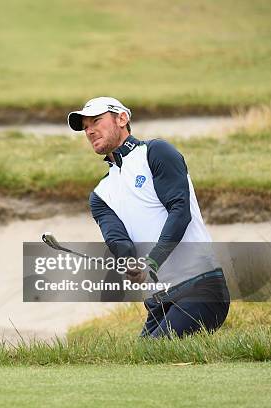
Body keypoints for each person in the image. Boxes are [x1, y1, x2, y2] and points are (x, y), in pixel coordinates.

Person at [67, 97, 230, 338]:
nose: (89, 130)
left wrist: (152, 262)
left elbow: (179, 212)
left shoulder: (155, 152)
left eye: (96, 121)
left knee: (151, 356)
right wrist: (128, 262)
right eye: (85, 126)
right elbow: (119, 242)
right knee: (140, 362)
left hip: (199, 286)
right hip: (157, 300)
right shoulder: (100, 195)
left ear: (122, 118)